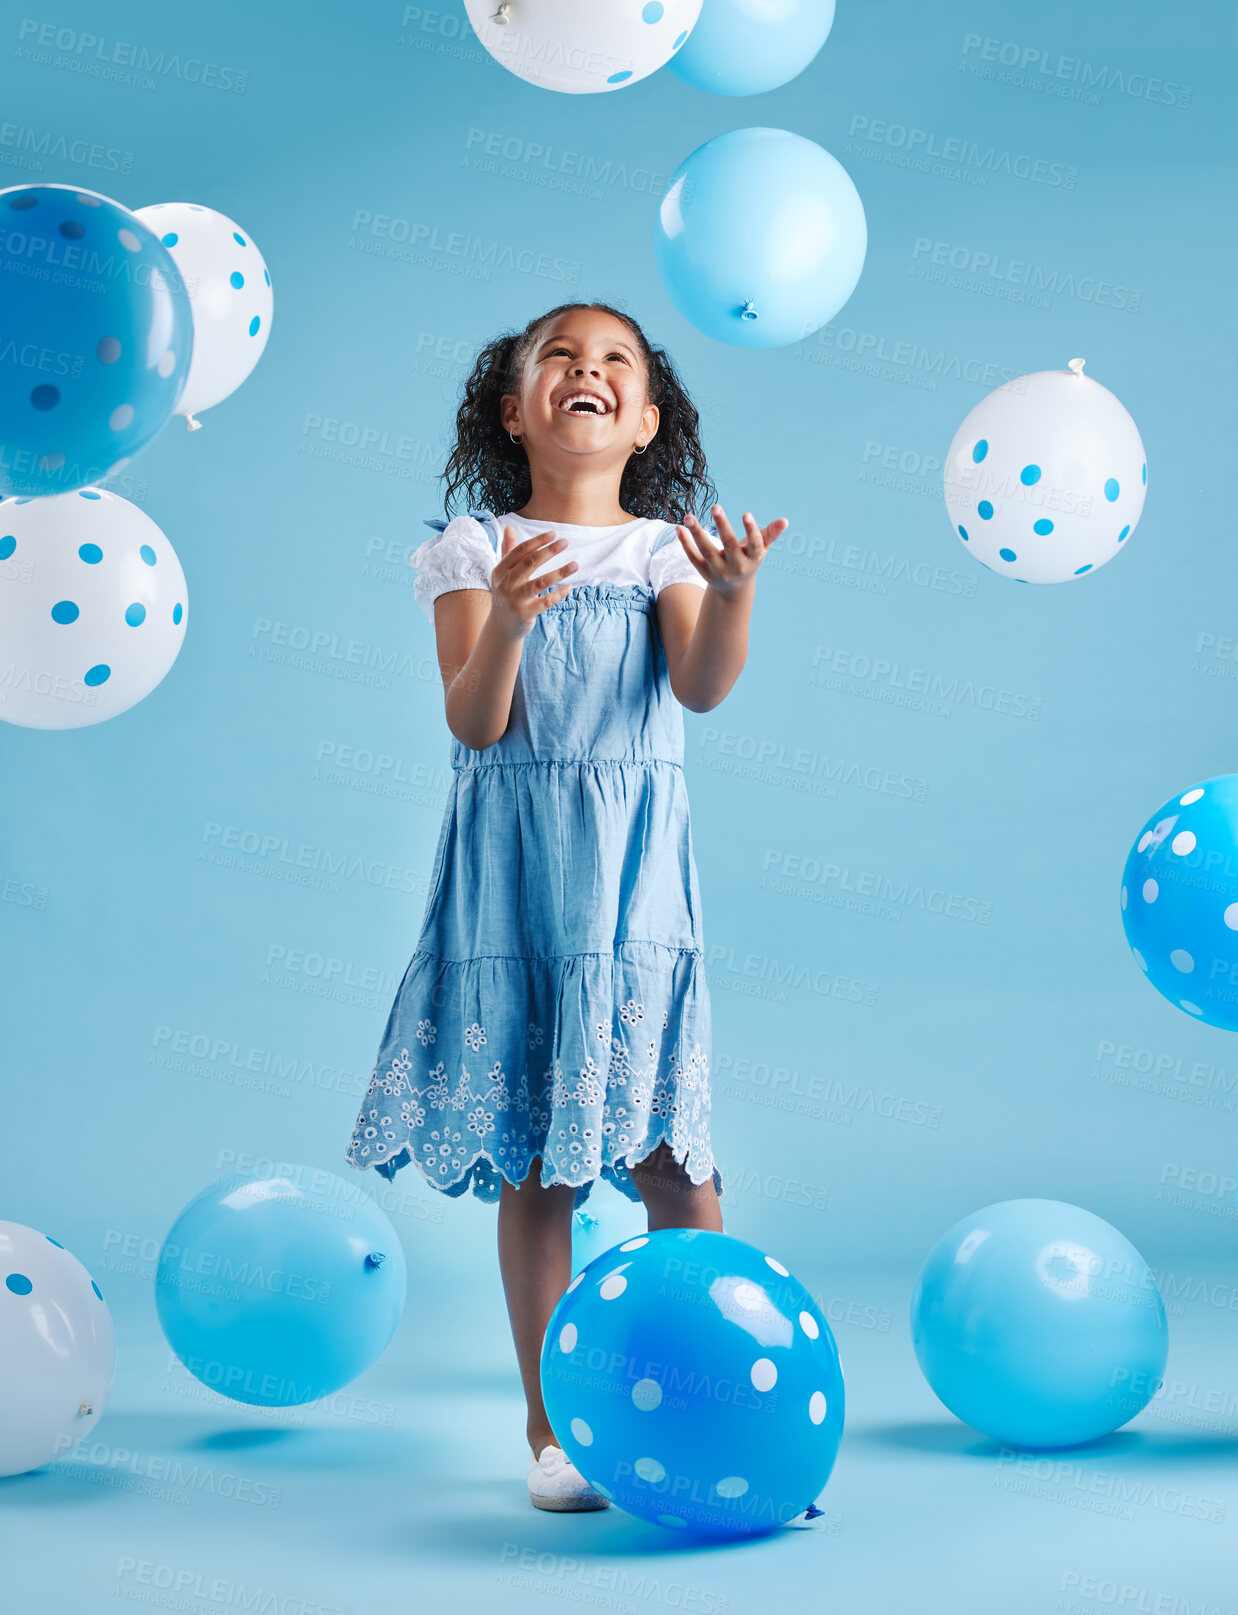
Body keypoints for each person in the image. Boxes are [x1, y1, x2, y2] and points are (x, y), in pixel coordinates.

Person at [345, 300, 786, 1511]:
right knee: (539, 1174)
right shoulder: (471, 551)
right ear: (512, 406)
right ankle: (553, 1429)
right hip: (518, 896)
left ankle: (714, 1404)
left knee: (674, 1171)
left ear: (644, 420)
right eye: (559, 357)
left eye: (614, 365)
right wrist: (508, 621)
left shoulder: (658, 553)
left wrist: (733, 592)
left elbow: (697, 688)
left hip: (635, 899)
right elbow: (473, 721)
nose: (585, 372)